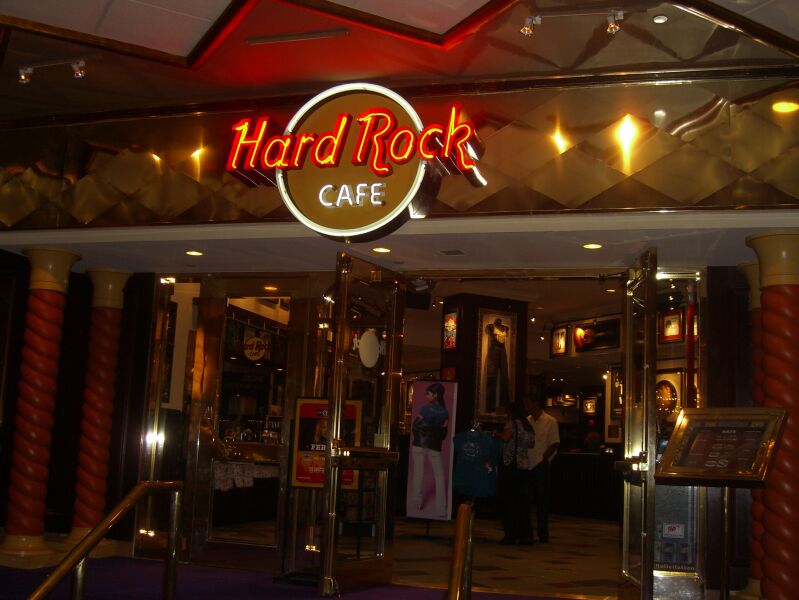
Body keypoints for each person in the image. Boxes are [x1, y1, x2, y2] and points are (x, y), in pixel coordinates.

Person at [494, 401, 534, 545]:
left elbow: (506, 437)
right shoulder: (528, 426)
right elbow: (532, 444)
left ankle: (511, 534)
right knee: (523, 503)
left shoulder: (512, 424)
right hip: (524, 467)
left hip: (510, 466)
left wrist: (496, 434)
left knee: (509, 502)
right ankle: (526, 535)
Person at [411, 382, 450, 517]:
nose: (426, 396)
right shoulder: (445, 413)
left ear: (435, 395)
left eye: (428, 394)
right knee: (439, 477)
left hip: (419, 444)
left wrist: (425, 427)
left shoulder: (425, 409)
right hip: (434, 446)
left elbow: (416, 426)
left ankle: (417, 503)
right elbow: (443, 434)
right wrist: (435, 429)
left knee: (418, 473)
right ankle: (441, 509)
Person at [524, 395, 560, 543]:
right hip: (527, 464)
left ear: (536, 403)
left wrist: (544, 459)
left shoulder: (550, 421)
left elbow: (554, 443)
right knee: (526, 500)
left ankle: (543, 533)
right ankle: (527, 532)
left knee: (542, 501)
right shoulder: (527, 421)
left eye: (528, 403)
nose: (526, 407)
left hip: (541, 465)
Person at [484, 318, 510, 412]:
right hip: (493, 350)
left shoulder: (505, 328)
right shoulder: (490, 326)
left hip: (502, 350)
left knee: (504, 378)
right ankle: (490, 407)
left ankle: (504, 406)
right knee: (491, 378)